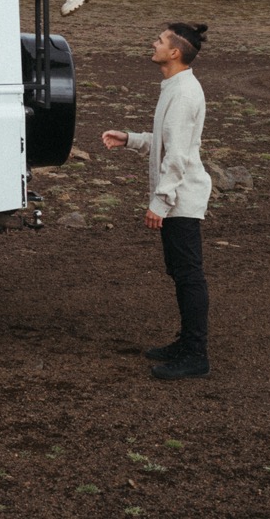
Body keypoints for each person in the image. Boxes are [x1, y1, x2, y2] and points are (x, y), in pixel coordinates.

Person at [101, 22, 213, 380]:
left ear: (175, 52)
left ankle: (196, 354)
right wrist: (130, 139)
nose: (154, 43)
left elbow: (178, 156)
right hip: (177, 198)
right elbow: (168, 140)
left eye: (160, 40)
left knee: (189, 276)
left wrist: (160, 203)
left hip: (181, 199)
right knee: (181, 274)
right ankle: (186, 344)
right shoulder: (175, 87)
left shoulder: (183, 93)